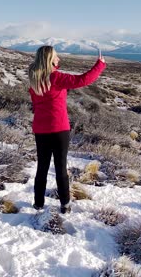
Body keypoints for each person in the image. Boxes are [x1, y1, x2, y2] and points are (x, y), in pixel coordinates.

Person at [27, 45, 106, 213]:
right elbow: (83, 80)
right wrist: (99, 64)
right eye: (56, 57)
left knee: (42, 167)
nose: (59, 59)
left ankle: (38, 204)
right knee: (60, 167)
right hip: (59, 128)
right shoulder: (56, 78)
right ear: (49, 59)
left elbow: (36, 105)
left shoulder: (35, 80)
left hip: (41, 129)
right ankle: (65, 205)